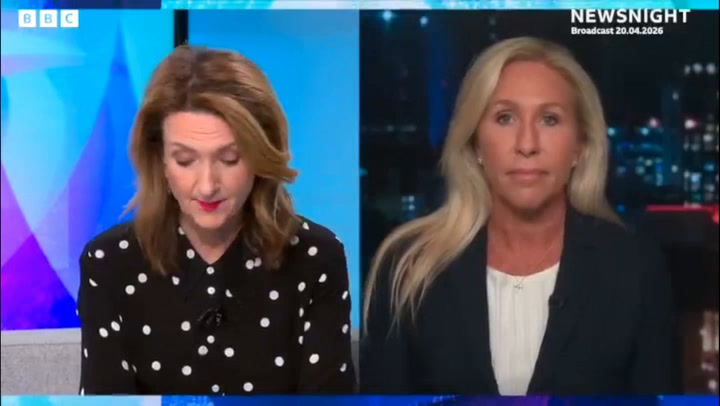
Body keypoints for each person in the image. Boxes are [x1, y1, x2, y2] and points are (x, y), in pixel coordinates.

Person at [360, 37, 680, 395]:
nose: (527, 144)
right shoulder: (408, 266)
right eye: (505, 118)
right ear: (475, 143)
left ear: (579, 147)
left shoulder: (634, 268)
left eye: (549, 119)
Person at [77, 45, 355, 394]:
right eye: (185, 160)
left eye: (230, 158)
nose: (207, 186)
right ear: (160, 159)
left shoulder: (316, 257)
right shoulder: (109, 263)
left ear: (260, 155)